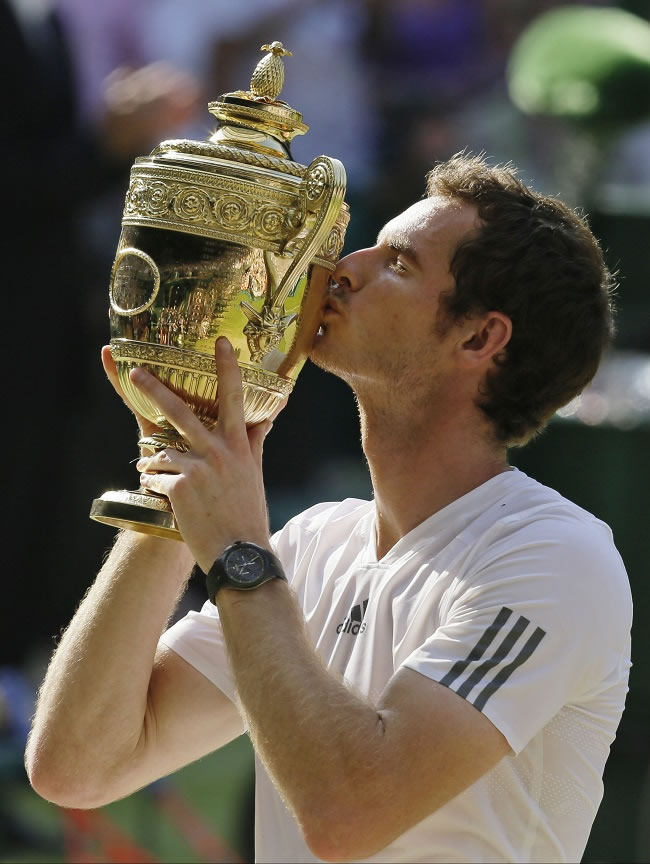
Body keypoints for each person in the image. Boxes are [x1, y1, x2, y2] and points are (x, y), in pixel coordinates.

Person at [25, 154, 632, 863]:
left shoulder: (556, 558)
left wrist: (235, 550)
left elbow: (349, 813)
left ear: (479, 338)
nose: (342, 268)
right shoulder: (315, 545)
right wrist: (180, 475)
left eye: (399, 264)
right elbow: (76, 766)